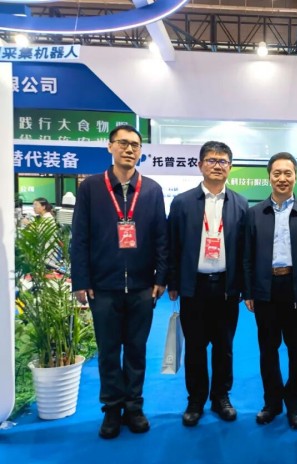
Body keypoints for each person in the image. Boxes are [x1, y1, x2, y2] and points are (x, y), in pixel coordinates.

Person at [71, 124, 168, 439]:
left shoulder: (151, 189)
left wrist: (160, 277)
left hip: (142, 287)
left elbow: (161, 237)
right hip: (103, 287)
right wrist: (81, 280)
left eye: (135, 145)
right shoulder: (91, 188)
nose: (129, 149)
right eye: (123, 143)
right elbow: (80, 237)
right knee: (109, 351)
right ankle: (112, 409)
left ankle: (134, 407)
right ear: (110, 146)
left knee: (137, 350)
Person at [167, 141, 248, 427]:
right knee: (196, 346)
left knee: (224, 346)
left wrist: (243, 286)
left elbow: (246, 250)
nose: (217, 165)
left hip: (226, 287)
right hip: (194, 286)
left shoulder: (240, 203)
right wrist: (173, 282)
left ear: (230, 167)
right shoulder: (182, 202)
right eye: (211, 160)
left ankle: (221, 397)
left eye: (223, 161)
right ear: (200, 165)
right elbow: (172, 245)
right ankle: (196, 400)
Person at [243, 152, 297, 430]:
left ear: (296, 177)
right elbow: (247, 256)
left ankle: (296, 405)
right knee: (268, 349)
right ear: (269, 177)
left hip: (295, 288)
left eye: (288, 173)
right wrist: (248, 292)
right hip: (266, 288)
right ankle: (272, 402)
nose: (282, 178)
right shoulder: (254, 213)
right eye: (277, 173)